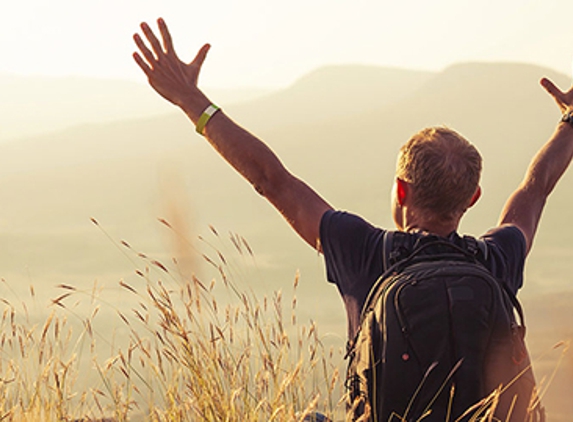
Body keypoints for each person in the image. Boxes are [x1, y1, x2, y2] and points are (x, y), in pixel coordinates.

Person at [133, 18, 573, 419]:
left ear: (402, 190)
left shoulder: (362, 250)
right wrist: (569, 122)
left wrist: (191, 100)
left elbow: (272, 180)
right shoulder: (496, 259)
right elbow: (534, 190)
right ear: (473, 198)